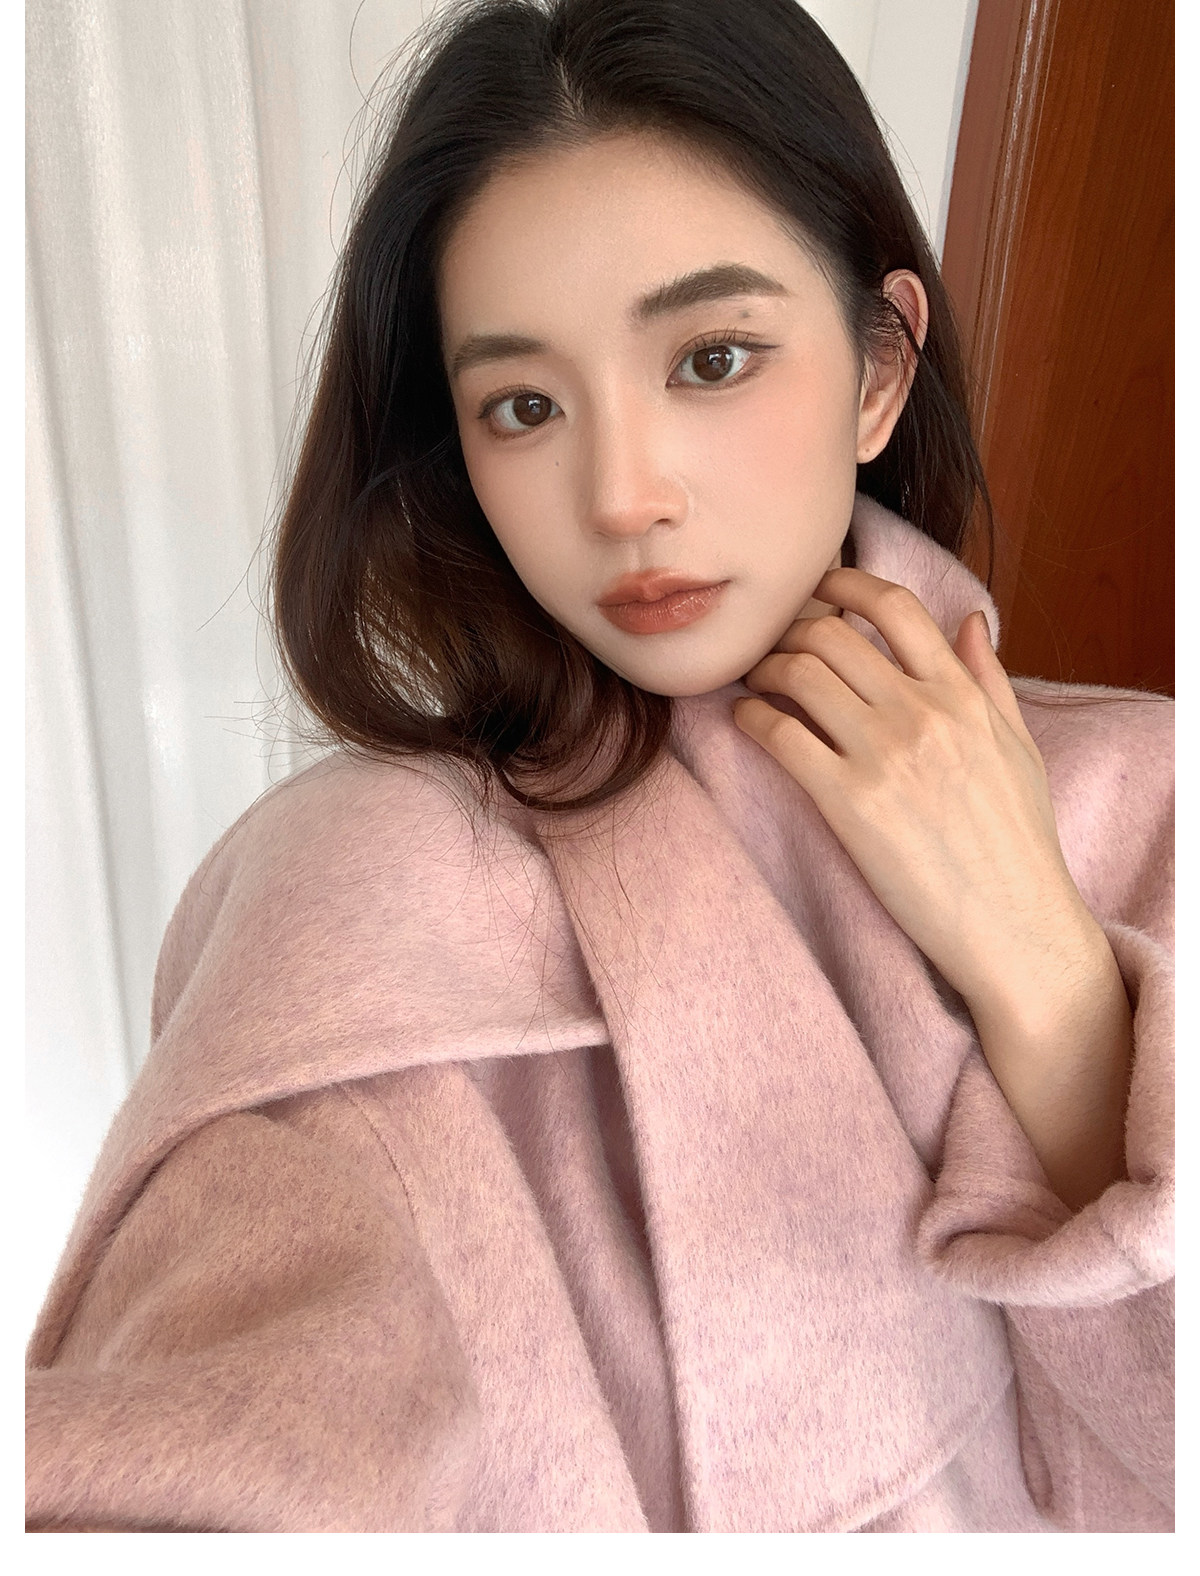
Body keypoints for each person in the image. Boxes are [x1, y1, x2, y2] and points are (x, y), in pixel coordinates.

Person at [26, 0, 1172, 1534]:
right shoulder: (354, 882)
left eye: (712, 357)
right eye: (524, 406)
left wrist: (1047, 976)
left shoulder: (1153, 799)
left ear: (880, 368)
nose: (621, 494)